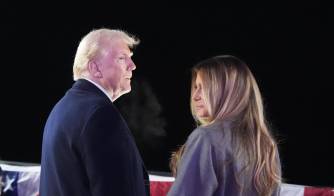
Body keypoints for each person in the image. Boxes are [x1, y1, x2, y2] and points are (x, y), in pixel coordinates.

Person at [40, 28, 150, 196]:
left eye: (131, 59)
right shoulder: (100, 114)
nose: (132, 66)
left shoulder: (61, 109)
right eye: (122, 58)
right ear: (95, 68)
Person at [168, 55, 282, 196]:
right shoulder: (266, 146)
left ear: (227, 91)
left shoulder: (206, 138)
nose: (195, 96)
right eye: (196, 87)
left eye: (203, 87)